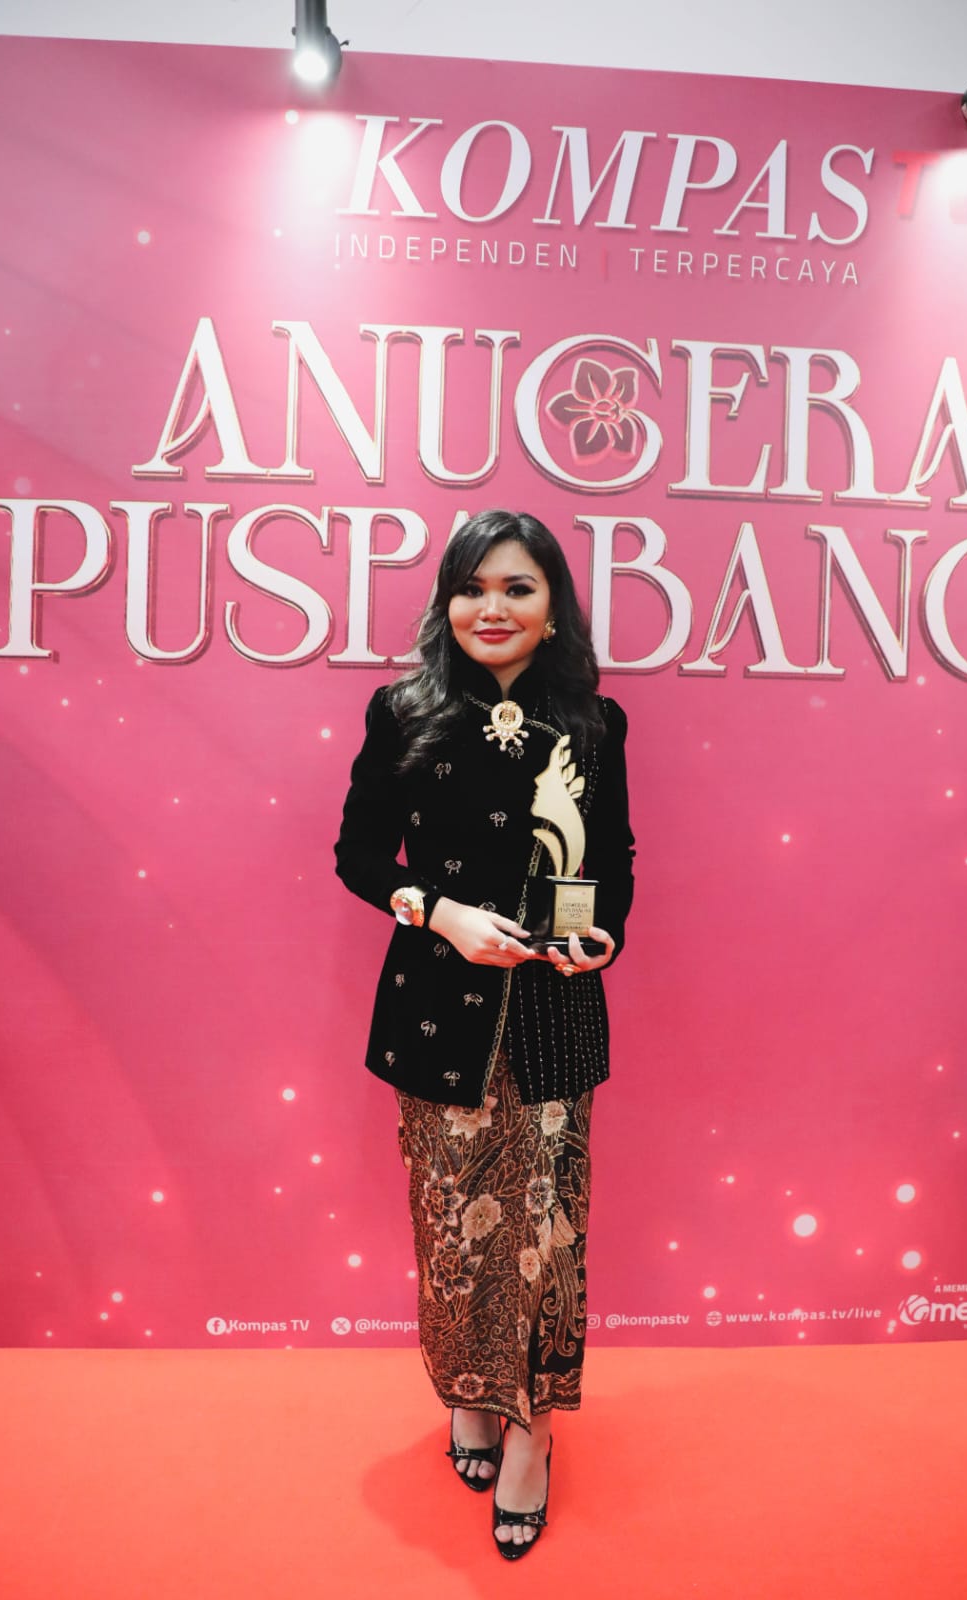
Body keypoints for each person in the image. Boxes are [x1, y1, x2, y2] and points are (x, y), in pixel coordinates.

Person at [334, 509, 635, 1558]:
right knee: (455, 1228)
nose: (491, 608)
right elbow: (358, 855)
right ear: (446, 603)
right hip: (435, 1010)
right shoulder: (404, 709)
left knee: (546, 1235)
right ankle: (466, 1390)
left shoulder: (594, 722)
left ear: (553, 608)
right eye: (472, 588)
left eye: (517, 588)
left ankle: (532, 1432)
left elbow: (616, 858)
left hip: (554, 1009)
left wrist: (606, 933)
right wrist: (438, 913)